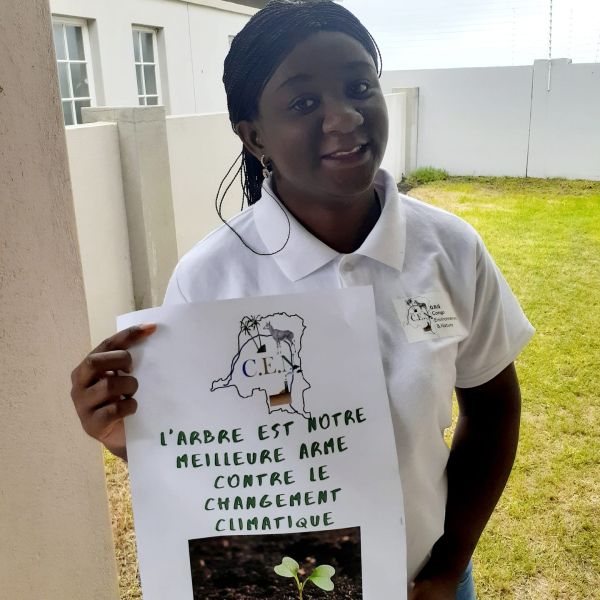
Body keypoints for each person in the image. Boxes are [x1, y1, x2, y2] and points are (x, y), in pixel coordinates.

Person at [70, 1, 534, 598]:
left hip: (427, 581)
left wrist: (448, 566)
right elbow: (220, 463)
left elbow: (492, 407)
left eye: (359, 86)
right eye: (304, 103)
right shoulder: (207, 281)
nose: (344, 117)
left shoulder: (449, 249)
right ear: (253, 133)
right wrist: (128, 438)